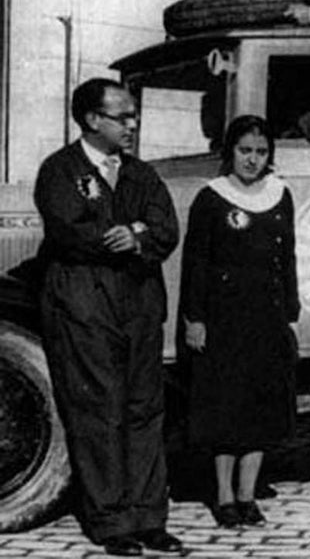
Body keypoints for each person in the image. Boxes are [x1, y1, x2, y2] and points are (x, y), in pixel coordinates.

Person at [33, 78, 183, 557]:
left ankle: (148, 517)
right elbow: (68, 228)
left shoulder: (142, 174)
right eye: (124, 117)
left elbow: (166, 227)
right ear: (93, 120)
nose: (133, 125)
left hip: (138, 305)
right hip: (84, 304)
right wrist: (120, 235)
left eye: (134, 116)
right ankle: (111, 520)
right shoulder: (60, 171)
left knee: (143, 409)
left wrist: (137, 234)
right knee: (98, 410)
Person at [179, 115, 300, 528]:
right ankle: (224, 496)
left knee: (259, 410)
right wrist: (195, 318)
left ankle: (249, 495)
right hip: (224, 319)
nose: (253, 160)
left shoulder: (280, 195)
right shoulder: (211, 198)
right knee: (226, 410)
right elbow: (196, 264)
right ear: (230, 151)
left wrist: (291, 314)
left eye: (261, 152)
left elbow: (288, 260)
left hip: (266, 318)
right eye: (245, 151)